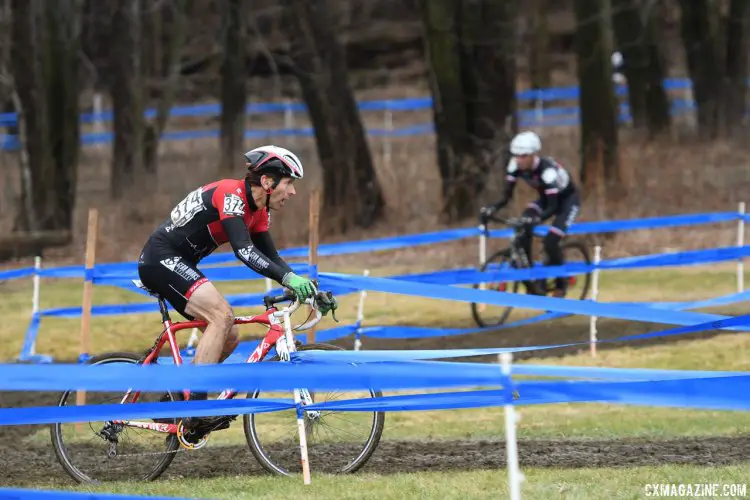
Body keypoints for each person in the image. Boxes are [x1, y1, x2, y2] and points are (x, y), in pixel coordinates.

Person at [136, 145, 337, 430]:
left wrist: (308, 291)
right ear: (267, 182)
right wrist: (289, 280)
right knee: (222, 316)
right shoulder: (231, 196)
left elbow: (272, 258)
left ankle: (179, 400)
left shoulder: (259, 211)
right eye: (289, 184)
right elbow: (244, 252)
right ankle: (195, 405)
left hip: (181, 262)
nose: (292, 193)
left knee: (229, 336)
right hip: (160, 258)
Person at [480, 131, 580, 297]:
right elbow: (506, 197)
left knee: (550, 242)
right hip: (546, 199)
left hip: (567, 202)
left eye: (523, 156)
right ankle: (533, 278)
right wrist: (491, 208)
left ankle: (561, 284)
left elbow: (554, 206)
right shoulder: (514, 166)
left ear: (534, 155)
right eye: (516, 155)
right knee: (523, 226)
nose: (519, 159)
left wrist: (535, 220)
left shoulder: (547, 171)